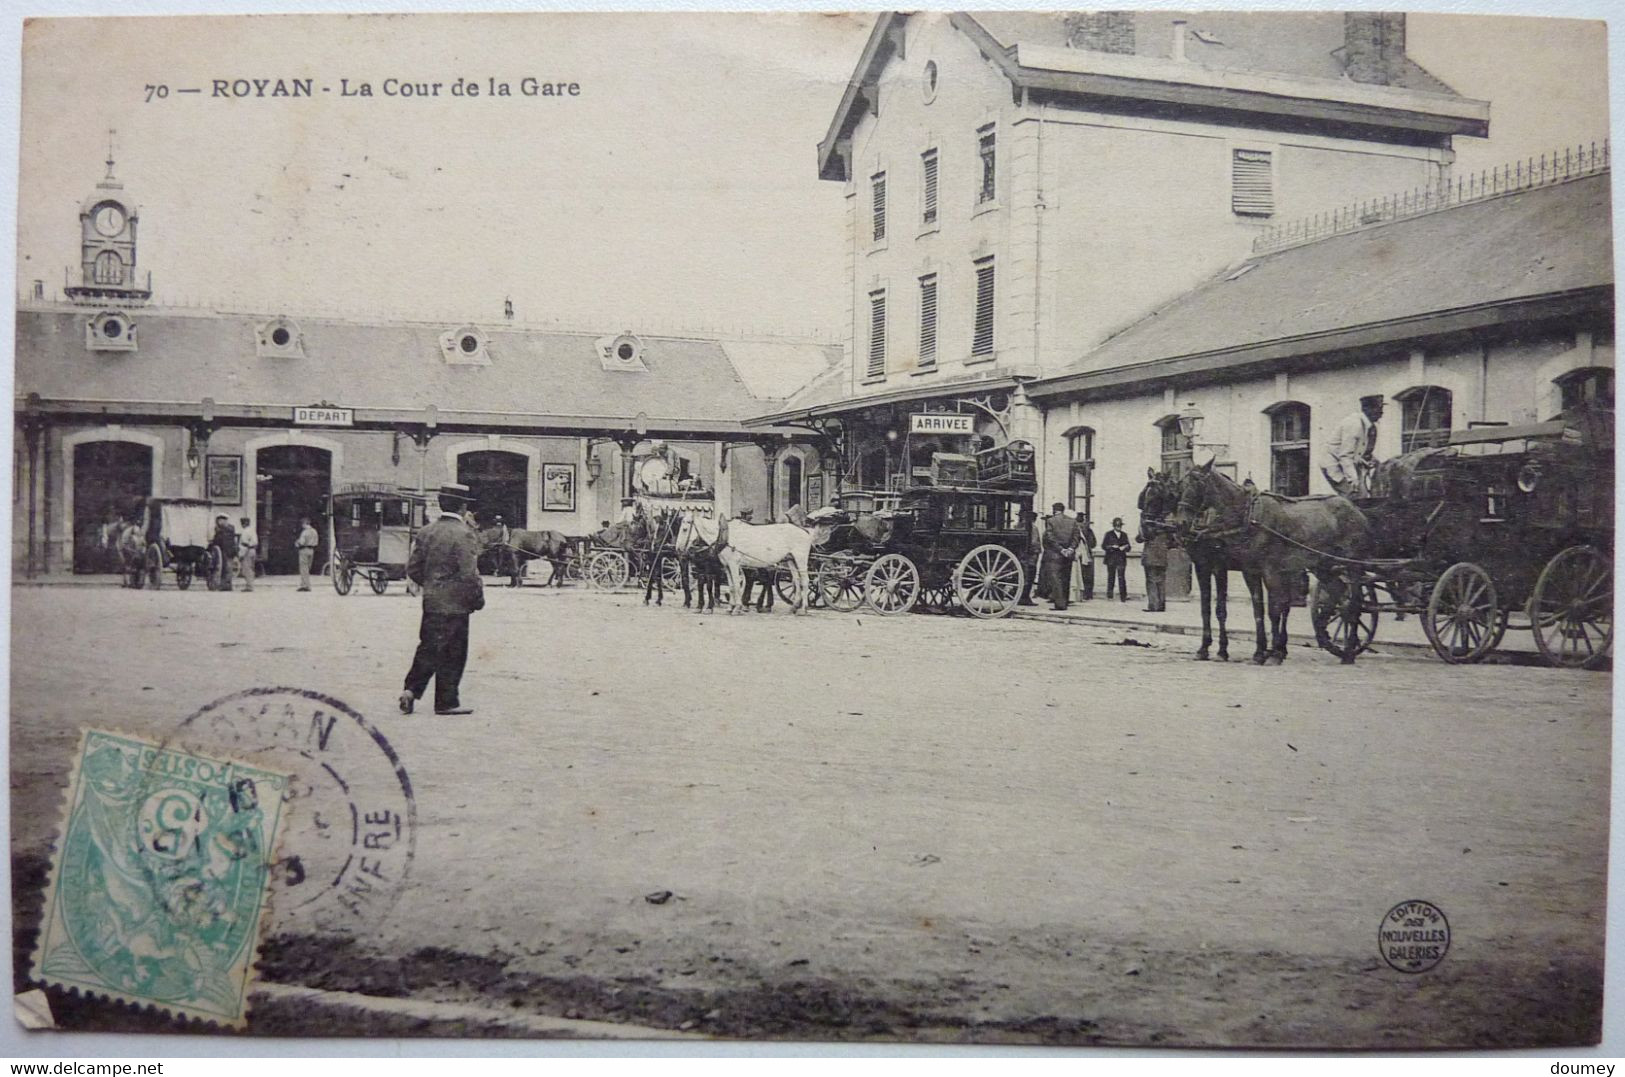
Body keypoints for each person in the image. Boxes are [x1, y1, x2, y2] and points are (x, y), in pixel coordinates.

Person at [400, 483, 484, 716]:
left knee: (428, 647)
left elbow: (413, 568)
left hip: (433, 601)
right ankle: (446, 702)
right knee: (453, 653)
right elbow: (469, 574)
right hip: (456, 605)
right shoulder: (465, 534)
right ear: (463, 506)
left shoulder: (427, 531)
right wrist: (477, 599)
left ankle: (410, 691)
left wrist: (433, 586)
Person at [1321, 394, 1383, 497]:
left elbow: (1364, 452)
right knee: (1354, 495)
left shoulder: (1370, 427)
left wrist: (1375, 462)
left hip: (1348, 463)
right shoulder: (1354, 424)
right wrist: (1353, 479)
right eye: (1377, 408)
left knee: (1363, 495)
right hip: (1334, 464)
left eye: (1381, 408)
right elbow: (1345, 455)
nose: (1381, 412)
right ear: (1366, 409)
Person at [1039, 501, 1082, 612]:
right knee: (1065, 578)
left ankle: (1059, 604)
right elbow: (1077, 537)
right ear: (1063, 510)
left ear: (1054, 510)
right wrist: (1070, 549)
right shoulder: (1072, 521)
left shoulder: (1051, 521)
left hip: (1055, 554)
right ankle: (1065, 601)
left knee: (1056, 579)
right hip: (1068, 555)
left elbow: (1050, 537)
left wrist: (1061, 550)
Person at [1102, 517, 1131, 601]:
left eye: (1120, 526)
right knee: (1111, 577)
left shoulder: (1124, 535)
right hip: (1111, 558)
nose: (1118, 527)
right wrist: (1111, 547)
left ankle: (1123, 596)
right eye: (1117, 526)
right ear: (1114, 526)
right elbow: (1103, 546)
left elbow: (1129, 547)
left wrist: (1125, 547)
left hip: (1121, 559)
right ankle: (1110, 595)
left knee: (1121, 577)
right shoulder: (1108, 534)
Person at [1017, 507, 1040, 606]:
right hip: (1030, 556)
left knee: (1023, 576)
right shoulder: (1032, 528)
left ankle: (1020, 596)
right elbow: (1034, 541)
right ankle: (1025, 597)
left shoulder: (1017, 526)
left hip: (1021, 555)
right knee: (1030, 576)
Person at [210, 515, 239, 592]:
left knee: (226, 568)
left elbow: (218, 540)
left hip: (226, 551)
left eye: (219, 520)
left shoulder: (224, 529)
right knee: (226, 569)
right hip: (226, 551)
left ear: (223, 520)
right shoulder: (229, 528)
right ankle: (226, 585)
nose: (218, 522)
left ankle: (226, 585)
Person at [1073, 514, 1098, 601]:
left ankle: (1081, 594)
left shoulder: (1075, 529)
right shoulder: (1088, 530)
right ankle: (1088, 594)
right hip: (1087, 555)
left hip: (1078, 555)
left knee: (1080, 575)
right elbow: (1093, 543)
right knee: (1088, 575)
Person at [295, 517, 319, 591]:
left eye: (302, 524)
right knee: (308, 568)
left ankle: (306, 585)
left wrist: (297, 543)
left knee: (303, 568)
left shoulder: (305, 532)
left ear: (304, 524)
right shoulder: (314, 531)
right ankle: (304, 584)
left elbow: (302, 542)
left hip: (304, 550)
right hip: (311, 550)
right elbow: (316, 542)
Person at [236, 516, 258, 592]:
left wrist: (241, 555)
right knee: (251, 568)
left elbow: (245, 544)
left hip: (247, 550)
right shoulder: (252, 530)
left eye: (242, 523)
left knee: (246, 569)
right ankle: (250, 585)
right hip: (253, 550)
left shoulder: (245, 531)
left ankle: (249, 586)